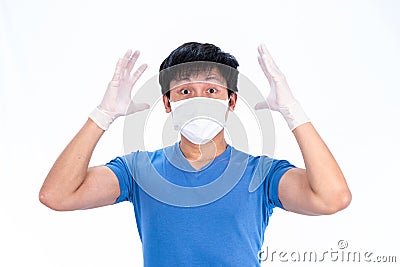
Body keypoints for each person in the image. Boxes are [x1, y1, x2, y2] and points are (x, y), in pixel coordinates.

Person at [39, 42, 351, 266]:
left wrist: (291, 110)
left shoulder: (261, 174)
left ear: (231, 102)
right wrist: (104, 113)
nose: (198, 99)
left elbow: (332, 198)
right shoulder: (139, 170)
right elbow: (56, 195)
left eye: (212, 90)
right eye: (185, 91)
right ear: (167, 103)